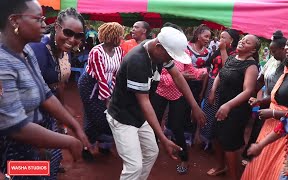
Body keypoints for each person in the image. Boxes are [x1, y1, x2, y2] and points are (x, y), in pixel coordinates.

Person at [0, 0, 90, 179]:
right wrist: (69, 142)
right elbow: (16, 127)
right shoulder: (4, 62)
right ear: (15, 20)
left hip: (31, 143)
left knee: (43, 171)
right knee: (21, 173)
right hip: (10, 152)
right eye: (38, 19)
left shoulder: (26, 51)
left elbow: (45, 93)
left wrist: (73, 125)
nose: (43, 25)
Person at [106, 27, 206, 180]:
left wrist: (194, 105)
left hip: (139, 114)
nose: (170, 59)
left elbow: (178, 77)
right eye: (169, 55)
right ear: (159, 46)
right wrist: (163, 138)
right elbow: (144, 102)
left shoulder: (157, 52)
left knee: (152, 152)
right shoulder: (137, 61)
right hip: (123, 118)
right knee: (134, 166)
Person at [241, 30, 288, 180]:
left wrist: (274, 113)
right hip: (270, 127)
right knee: (258, 165)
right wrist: (261, 101)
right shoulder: (285, 68)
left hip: (287, 132)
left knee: (273, 170)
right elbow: (279, 95)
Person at [28, 7, 86, 177]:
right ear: (57, 26)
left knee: (51, 156)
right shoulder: (38, 49)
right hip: (32, 114)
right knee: (30, 164)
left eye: (78, 36)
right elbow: (30, 94)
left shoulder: (63, 52)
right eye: (68, 32)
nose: (72, 39)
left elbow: (59, 83)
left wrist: (62, 108)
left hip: (50, 110)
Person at [151, 23, 207, 174]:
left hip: (177, 94)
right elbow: (160, 78)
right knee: (153, 122)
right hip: (160, 92)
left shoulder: (183, 54)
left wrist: (199, 73)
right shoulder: (159, 53)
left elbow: (189, 70)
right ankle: (152, 150)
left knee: (177, 127)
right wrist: (179, 76)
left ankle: (184, 158)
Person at [207, 34, 260, 179]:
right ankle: (220, 166)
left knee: (230, 144)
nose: (242, 42)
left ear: (253, 50)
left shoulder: (251, 66)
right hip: (222, 104)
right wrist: (212, 90)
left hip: (236, 109)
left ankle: (233, 176)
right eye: (242, 40)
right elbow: (221, 73)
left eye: (247, 42)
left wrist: (228, 106)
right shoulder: (231, 58)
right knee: (217, 137)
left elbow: (248, 91)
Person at [78, 22, 124, 158]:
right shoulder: (96, 52)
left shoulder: (119, 51)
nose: (121, 39)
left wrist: (112, 92)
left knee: (108, 116)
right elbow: (100, 77)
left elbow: (116, 73)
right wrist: (107, 99)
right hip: (90, 85)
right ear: (111, 37)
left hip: (108, 85)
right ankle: (87, 148)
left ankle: (104, 145)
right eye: (119, 36)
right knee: (95, 116)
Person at [242, 30, 287, 163]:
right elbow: (261, 79)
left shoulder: (287, 66)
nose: (272, 54)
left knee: (266, 131)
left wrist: (260, 99)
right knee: (257, 128)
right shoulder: (272, 60)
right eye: (271, 51)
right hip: (264, 100)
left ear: (283, 49)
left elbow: (278, 91)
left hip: (274, 103)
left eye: (274, 51)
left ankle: (257, 159)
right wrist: (252, 94)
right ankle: (248, 155)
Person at [200, 29, 240, 148]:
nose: (220, 40)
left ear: (232, 40)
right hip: (211, 82)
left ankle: (213, 141)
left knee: (215, 113)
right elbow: (209, 63)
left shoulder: (235, 53)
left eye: (223, 38)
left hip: (222, 85)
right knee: (208, 109)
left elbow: (227, 68)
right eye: (220, 37)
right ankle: (205, 139)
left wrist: (223, 50)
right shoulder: (217, 50)